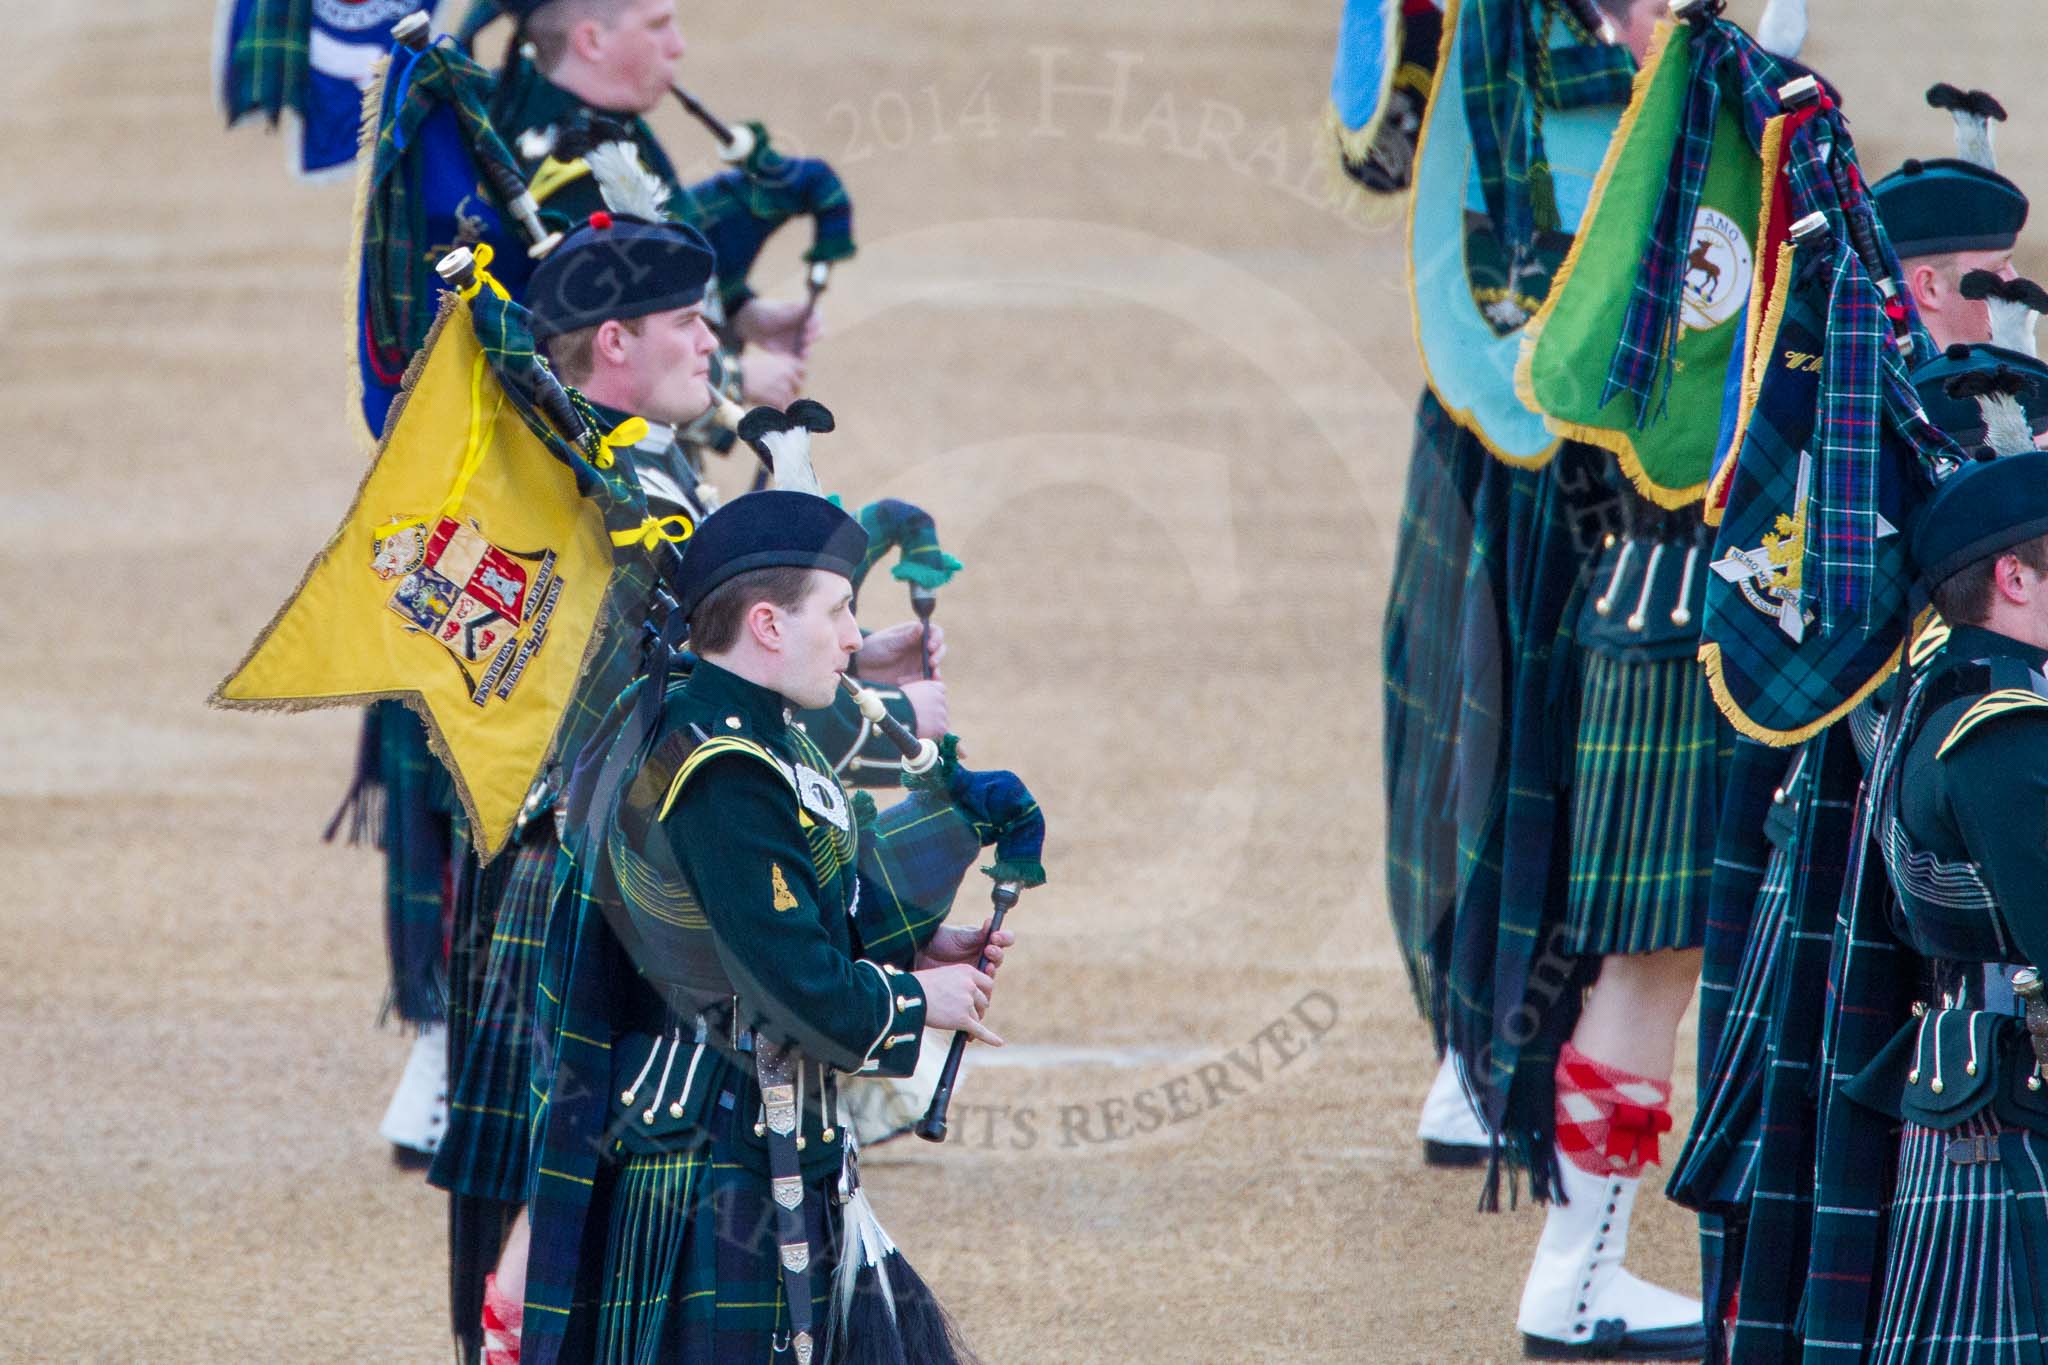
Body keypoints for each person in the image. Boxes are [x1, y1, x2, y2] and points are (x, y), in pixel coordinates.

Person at [421, 213, 949, 1363]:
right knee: (643, 1157)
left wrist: (850, 657)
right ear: (610, 345)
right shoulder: (592, 493)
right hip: (636, 871)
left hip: (652, 850)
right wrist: (880, 721)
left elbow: (713, 649)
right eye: (680, 323)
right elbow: (666, 697)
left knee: (643, 1163)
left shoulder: (640, 468)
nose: (706, 340)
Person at [520, 486, 1041, 1364]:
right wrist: (919, 999)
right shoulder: (720, 765)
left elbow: (799, 908)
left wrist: (917, 945)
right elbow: (794, 985)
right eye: (838, 611)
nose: (852, 638)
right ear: (767, 625)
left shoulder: (762, 733)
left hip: (762, 1132)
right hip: (705, 1146)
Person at [1831, 439, 2048, 1359]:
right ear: (2014, 576)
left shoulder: (1931, 700)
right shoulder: (1998, 737)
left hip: (1972, 1091)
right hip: (2014, 1105)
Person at [488, 0, 813, 414]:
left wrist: (742, 313)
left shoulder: (606, 123)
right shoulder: (574, 165)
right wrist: (732, 377)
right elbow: (597, 355)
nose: (677, 45)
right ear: (591, 40)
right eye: (657, 26)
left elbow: (651, 270)